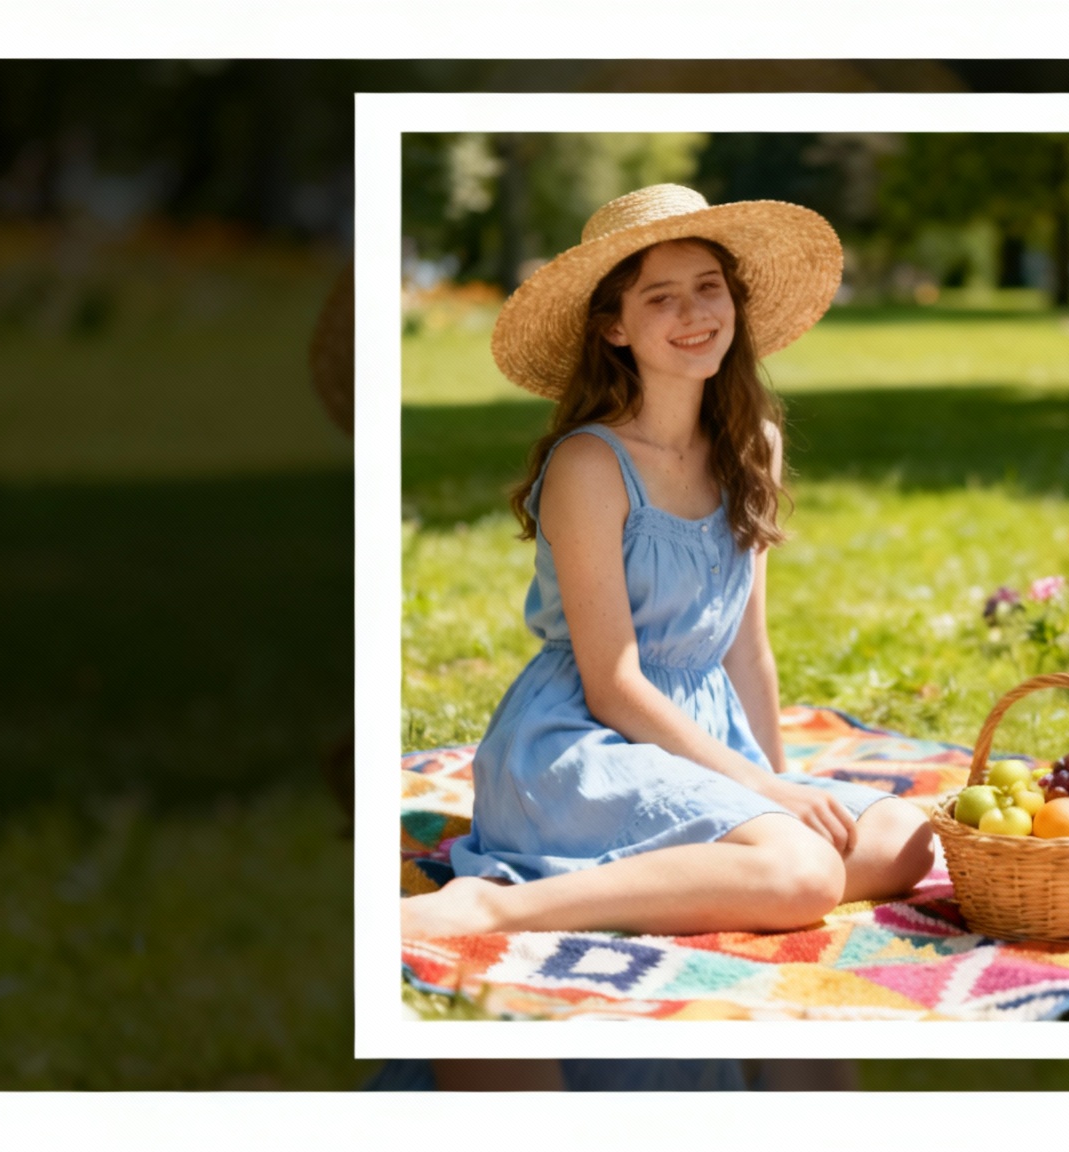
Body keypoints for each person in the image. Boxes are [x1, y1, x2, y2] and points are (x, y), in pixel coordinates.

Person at [400, 184, 936, 946]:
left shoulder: (754, 445)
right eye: (661, 298)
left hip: (701, 740)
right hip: (579, 744)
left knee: (905, 838)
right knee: (807, 875)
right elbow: (612, 686)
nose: (694, 315)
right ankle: (493, 908)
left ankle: (694, 881)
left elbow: (746, 646)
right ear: (615, 327)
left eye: (708, 288)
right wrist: (763, 796)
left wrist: (778, 787)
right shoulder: (592, 464)